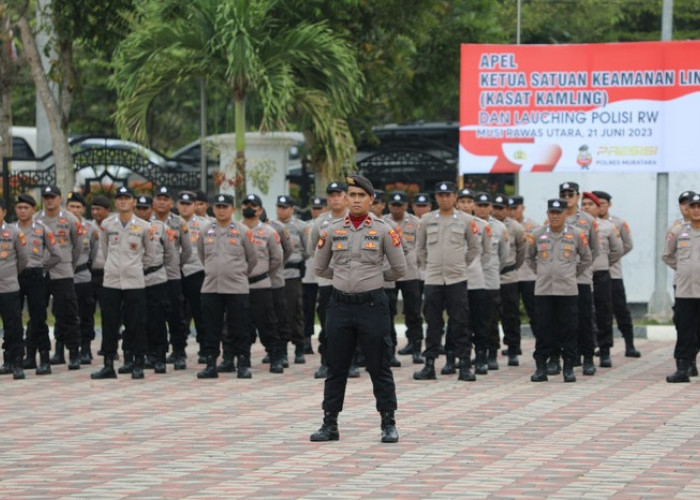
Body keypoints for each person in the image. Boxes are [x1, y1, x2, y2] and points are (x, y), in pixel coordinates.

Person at [310, 175, 405, 443]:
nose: (355, 200)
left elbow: (399, 268)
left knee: (379, 365)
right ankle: (330, 423)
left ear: (371, 199)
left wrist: (373, 279)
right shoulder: (331, 229)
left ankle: (388, 422)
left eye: (361, 195)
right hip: (339, 305)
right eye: (351, 195)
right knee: (336, 366)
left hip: (372, 305)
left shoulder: (385, 230)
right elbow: (319, 267)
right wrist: (343, 277)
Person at [414, 181, 479, 381]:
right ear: (436, 198)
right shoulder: (426, 220)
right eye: (440, 195)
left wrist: (459, 265)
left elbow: (474, 248)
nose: (444, 198)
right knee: (433, 323)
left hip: (457, 278)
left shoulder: (467, 220)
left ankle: (465, 365)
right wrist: (429, 267)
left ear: (455, 197)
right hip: (433, 278)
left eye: (448, 195)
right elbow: (420, 249)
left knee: (460, 323)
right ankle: (430, 364)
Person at [91, 186, 154, 380]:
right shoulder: (108, 225)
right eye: (119, 198)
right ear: (115, 203)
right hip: (111, 281)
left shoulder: (144, 227)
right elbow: (105, 248)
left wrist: (134, 268)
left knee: (136, 323)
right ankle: (108, 363)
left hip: (134, 281)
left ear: (134, 202)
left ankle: (137, 363)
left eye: (127, 198)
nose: (123, 201)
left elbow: (149, 256)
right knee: (109, 323)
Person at [527, 199, 592, 383]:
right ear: (547, 214)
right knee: (543, 330)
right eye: (551, 212)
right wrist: (541, 273)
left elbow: (586, 258)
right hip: (543, 291)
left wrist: (571, 273)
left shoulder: (577, 234)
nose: (555, 216)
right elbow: (529, 257)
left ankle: (569, 367)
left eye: (558, 212)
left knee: (569, 329)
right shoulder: (538, 234)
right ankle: (541, 367)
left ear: (565, 214)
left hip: (568, 291)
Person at [196, 194, 258, 379]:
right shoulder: (205, 231)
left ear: (233, 209)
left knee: (240, 327)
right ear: (213, 209)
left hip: (236, 287)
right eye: (218, 207)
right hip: (211, 287)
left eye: (225, 207)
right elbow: (202, 255)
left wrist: (237, 273)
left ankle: (242, 364)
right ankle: (210, 364)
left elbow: (252, 259)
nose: (222, 210)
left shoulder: (243, 230)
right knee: (211, 327)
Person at [554, 182, 600, 373]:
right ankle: (565, 357)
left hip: (580, 279)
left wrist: (579, 270)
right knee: (560, 320)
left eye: (570, 194)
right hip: (560, 280)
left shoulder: (588, 220)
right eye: (563, 194)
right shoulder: (554, 218)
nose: (567, 197)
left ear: (578, 196)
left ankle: (587, 357)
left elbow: (594, 250)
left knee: (584, 319)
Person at [36, 185, 83, 370]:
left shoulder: (70, 219)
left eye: (53, 197)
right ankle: (46, 354)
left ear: (60, 198)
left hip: (63, 272)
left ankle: (74, 353)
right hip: (41, 273)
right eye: (46, 197)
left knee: (68, 314)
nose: (49, 200)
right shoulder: (36, 219)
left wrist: (68, 266)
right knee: (39, 314)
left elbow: (77, 247)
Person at [307, 182, 350, 379]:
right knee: (327, 324)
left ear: (346, 197)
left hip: (352, 281)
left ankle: (352, 363)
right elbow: (312, 250)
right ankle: (326, 362)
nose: (335, 198)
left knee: (351, 323)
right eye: (331, 195)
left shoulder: (357, 219)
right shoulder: (320, 222)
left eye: (338, 194)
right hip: (327, 282)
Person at [14, 193, 61, 375]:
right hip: (16, 277)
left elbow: (56, 254)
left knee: (38, 317)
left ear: (33, 210)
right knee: (14, 317)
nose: (23, 211)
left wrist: (42, 268)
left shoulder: (42, 229)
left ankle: (44, 358)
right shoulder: (10, 229)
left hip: (36, 276)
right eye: (20, 208)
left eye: (26, 208)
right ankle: (20, 357)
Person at [592, 190, 639, 357]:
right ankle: (599, 345)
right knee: (598, 311)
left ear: (609, 204)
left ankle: (629, 344)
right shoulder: (587, 223)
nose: (600, 206)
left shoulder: (618, 223)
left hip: (613, 274)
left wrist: (608, 260)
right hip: (593, 275)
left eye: (603, 203)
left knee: (620, 310)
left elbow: (627, 245)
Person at [581, 192, 623, 375]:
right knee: (582, 313)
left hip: (601, 273)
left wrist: (604, 263)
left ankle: (604, 350)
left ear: (599, 208)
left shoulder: (608, 227)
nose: (586, 207)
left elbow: (618, 250)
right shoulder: (577, 226)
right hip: (581, 275)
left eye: (591, 204)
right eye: (584, 204)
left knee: (604, 311)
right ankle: (581, 351)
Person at [153, 186, 192, 369]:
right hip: (152, 276)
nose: (161, 201)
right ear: (153, 201)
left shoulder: (179, 223)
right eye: (158, 198)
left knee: (177, 315)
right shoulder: (147, 222)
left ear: (171, 203)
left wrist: (176, 264)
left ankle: (178, 352)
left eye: (165, 198)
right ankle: (155, 351)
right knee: (154, 314)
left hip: (173, 276)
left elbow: (187, 250)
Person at [662, 192, 700, 383]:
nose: (695, 210)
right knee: (684, 330)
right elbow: (667, 255)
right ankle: (682, 368)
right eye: (692, 207)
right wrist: (684, 269)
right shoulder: (678, 231)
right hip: (685, 290)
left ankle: (693, 360)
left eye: (698, 207)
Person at [134, 195, 174, 374]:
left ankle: (159, 356)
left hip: (156, 278)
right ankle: (143, 355)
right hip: (135, 279)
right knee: (138, 319)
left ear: (151, 209)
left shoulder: (161, 228)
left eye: (145, 208)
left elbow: (171, 254)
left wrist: (157, 267)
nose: (142, 212)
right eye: (139, 208)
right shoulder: (129, 227)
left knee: (157, 319)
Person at [385, 191, 424, 365]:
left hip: (410, 272)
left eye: (400, 205)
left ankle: (416, 347)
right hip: (390, 273)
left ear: (406, 206)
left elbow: (422, 246)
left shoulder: (416, 223)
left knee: (413, 312)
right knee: (388, 312)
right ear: (388, 206)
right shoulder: (383, 222)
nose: (396, 208)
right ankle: (390, 349)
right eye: (393, 205)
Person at [456, 188, 492, 374]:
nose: (465, 205)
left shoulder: (482, 225)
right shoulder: (452, 222)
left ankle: (480, 357)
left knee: (479, 321)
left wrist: (473, 265)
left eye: (469, 201)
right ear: (457, 203)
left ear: (473, 205)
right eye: (462, 201)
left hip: (476, 279)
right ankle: (461, 356)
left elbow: (486, 253)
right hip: (455, 280)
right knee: (460, 322)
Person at [474, 192, 509, 370]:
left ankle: (492, 353)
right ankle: (477, 353)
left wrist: (494, 269)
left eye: (485, 205)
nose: (482, 209)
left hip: (490, 279)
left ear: (490, 207)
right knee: (472, 319)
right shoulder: (468, 223)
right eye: (479, 205)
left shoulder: (500, 227)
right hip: (471, 279)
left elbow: (504, 255)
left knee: (490, 318)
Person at [491, 193, 527, 367]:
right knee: (489, 316)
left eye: (501, 208)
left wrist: (512, 268)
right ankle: (491, 350)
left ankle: (513, 349)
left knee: (510, 315)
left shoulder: (515, 227)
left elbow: (522, 252)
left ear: (507, 209)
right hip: (490, 277)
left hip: (509, 277)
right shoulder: (485, 225)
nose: (497, 211)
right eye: (495, 207)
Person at [65, 192, 100, 365]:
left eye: (78, 207)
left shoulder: (91, 229)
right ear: (66, 207)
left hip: (83, 276)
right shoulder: (60, 226)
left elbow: (94, 253)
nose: (74, 210)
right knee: (63, 313)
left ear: (83, 209)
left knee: (86, 313)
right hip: (64, 276)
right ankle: (62, 349)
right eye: (71, 206)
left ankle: (85, 348)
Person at [276, 195, 309, 365]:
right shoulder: (271, 226)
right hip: (275, 275)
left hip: (292, 274)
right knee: (276, 313)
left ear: (291, 209)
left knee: (294, 311)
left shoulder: (300, 227)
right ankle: (278, 348)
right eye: (279, 207)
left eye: (284, 207)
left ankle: (299, 347)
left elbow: (307, 250)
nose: (281, 210)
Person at [0, 198, 29, 379]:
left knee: (13, 326)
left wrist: (10, 274)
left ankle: (16, 361)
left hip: (9, 287)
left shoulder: (14, 232)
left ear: (3, 212)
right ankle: (6, 360)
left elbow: (23, 259)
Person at [177, 191, 207, 361]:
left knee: (200, 313)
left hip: (197, 272)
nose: (185, 207)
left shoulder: (204, 224)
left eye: (188, 204)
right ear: (177, 205)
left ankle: (204, 349)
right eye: (182, 203)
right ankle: (178, 350)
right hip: (177, 273)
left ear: (195, 205)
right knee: (178, 314)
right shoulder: (171, 223)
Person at [508, 195, 540, 351]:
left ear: (523, 208)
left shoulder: (533, 226)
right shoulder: (504, 226)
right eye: (510, 209)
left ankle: (541, 344)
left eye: (516, 208)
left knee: (534, 312)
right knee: (511, 313)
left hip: (529, 276)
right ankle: (514, 346)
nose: (513, 212)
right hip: (511, 276)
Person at [301, 196, 327, 355]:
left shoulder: (331, 223)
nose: (317, 211)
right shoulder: (306, 226)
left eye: (320, 208)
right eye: (314, 208)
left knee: (324, 309)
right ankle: (306, 340)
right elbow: (307, 249)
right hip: (309, 274)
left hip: (325, 275)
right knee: (307, 309)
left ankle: (325, 337)